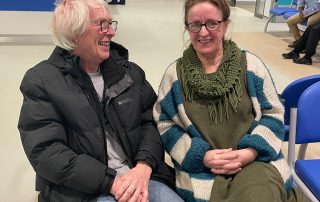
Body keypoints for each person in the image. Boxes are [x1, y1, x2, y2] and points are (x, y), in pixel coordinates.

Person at [17, 0, 184, 202]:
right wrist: (112, 182)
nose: (111, 32)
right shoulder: (41, 81)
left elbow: (152, 122)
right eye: (102, 24)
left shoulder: (130, 73)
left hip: (140, 177)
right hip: (84, 192)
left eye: (111, 23)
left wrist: (144, 166)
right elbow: (47, 152)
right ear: (74, 31)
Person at [153, 0, 308, 201]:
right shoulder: (174, 76)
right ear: (187, 27)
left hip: (257, 164)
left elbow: (273, 113)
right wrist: (201, 156)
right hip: (202, 173)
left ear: (225, 25)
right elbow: (165, 124)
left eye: (212, 23)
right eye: (195, 25)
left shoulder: (251, 66)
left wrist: (251, 151)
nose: (203, 32)